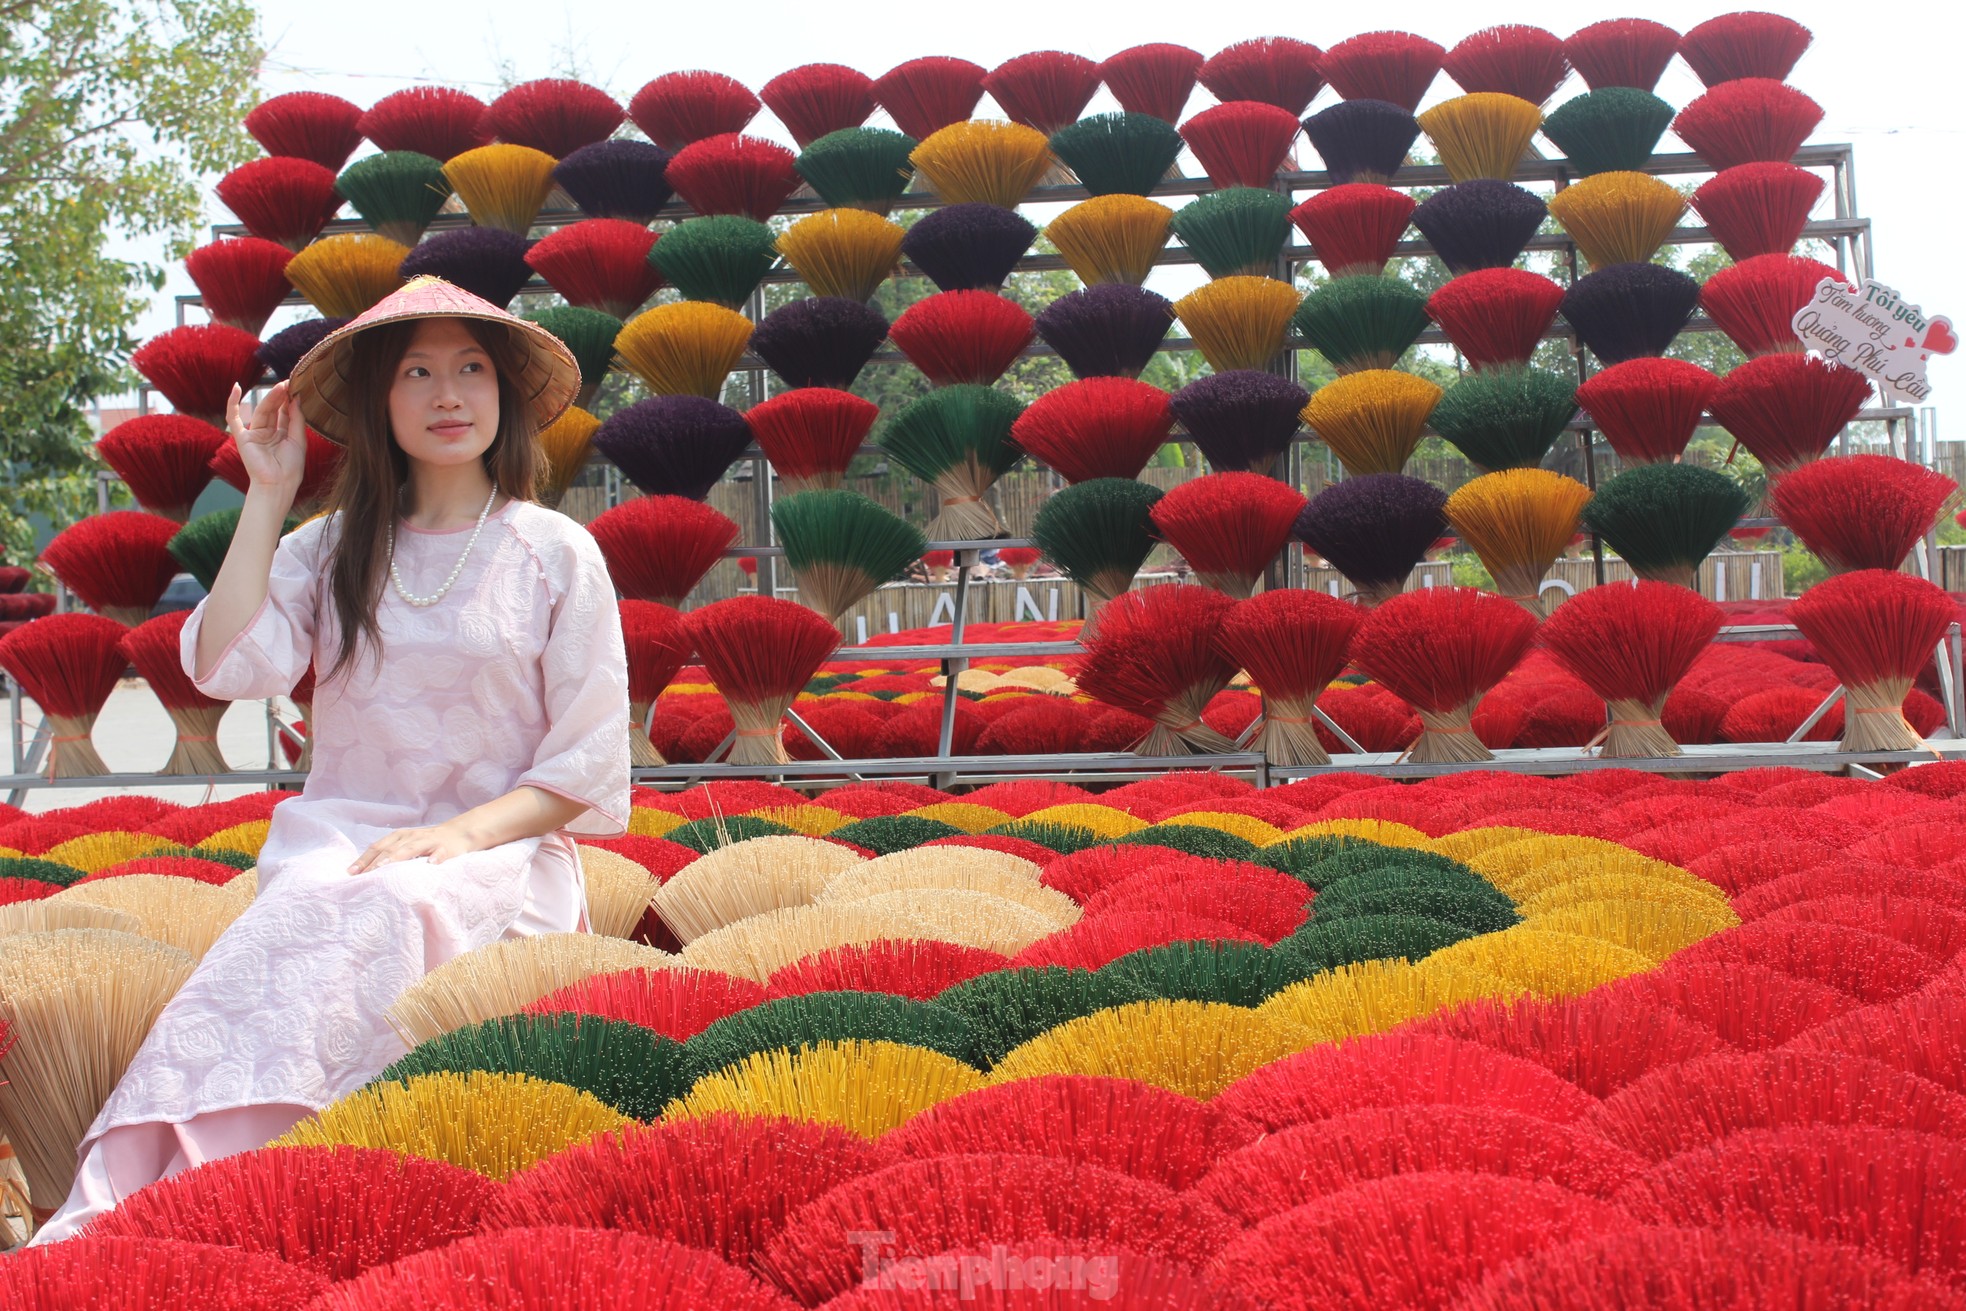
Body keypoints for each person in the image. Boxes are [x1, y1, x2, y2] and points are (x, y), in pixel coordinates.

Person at [30, 277, 631, 1242]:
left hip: (500, 857)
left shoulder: (554, 551)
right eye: (418, 372)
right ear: (378, 404)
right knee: (316, 908)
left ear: (505, 396)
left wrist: (453, 837)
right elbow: (225, 663)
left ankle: (287, 1192)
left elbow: (585, 759)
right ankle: (155, 1196)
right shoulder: (334, 547)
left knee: (398, 903)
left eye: (471, 369)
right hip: (343, 841)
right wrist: (268, 492)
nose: (448, 394)